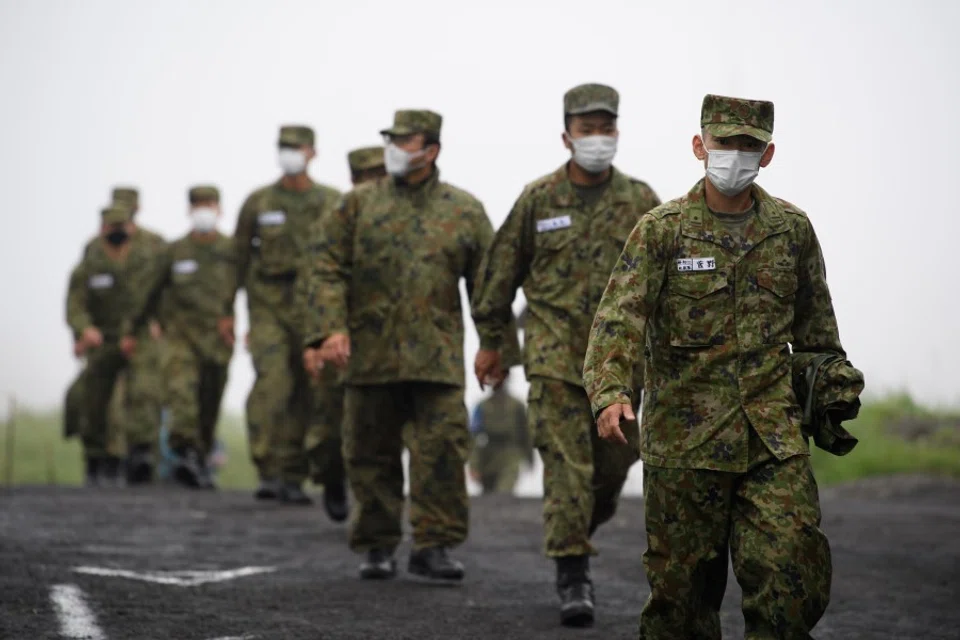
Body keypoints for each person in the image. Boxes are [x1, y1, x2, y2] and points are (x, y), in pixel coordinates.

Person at [582, 94, 846, 639]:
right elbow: (618, 318)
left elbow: (818, 336)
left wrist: (834, 390)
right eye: (726, 143)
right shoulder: (663, 230)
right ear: (701, 146)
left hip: (772, 439)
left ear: (766, 155)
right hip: (686, 443)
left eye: (749, 146)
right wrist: (610, 391)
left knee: (791, 573)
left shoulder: (791, 231)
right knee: (681, 605)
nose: (736, 155)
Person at [470, 83, 660, 626]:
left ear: (617, 134)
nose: (597, 139)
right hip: (553, 357)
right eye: (586, 130)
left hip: (622, 367)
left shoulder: (642, 202)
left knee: (612, 469)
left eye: (606, 129)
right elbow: (497, 276)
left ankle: (577, 529)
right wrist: (493, 343)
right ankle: (573, 573)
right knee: (567, 470)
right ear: (566, 136)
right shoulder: (538, 200)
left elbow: (666, 283)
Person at [303, 109, 520, 582]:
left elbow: (488, 284)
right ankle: (378, 545)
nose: (396, 150)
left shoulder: (462, 209)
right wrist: (328, 331)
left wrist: (495, 347)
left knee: (442, 453)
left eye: (406, 142)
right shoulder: (356, 207)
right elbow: (325, 270)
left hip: (436, 360)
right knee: (370, 454)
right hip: (369, 359)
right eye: (392, 140)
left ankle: (434, 545)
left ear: (432, 150)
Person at [234, 125, 342, 504]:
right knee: (273, 383)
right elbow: (238, 258)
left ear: (312, 152)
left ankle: (295, 474)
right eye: (283, 147)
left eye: (295, 147)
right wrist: (227, 314)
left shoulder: (331, 201)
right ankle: (268, 469)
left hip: (314, 306)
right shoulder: (259, 202)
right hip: (268, 306)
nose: (289, 153)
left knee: (311, 389)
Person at [298, 146, 386, 523]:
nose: (373, 185)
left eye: (379, 177)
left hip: (383, 340)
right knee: (330, 425)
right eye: (366, 178)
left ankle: (375, 510)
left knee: (376, 429)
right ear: (353, 182)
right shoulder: (334, 223)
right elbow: (312, 285)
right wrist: (314, 342)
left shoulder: (402, 221)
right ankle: (332, 477)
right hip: (337, 336)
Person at [131, 185, 237, 489]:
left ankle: (200, 456)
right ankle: (185, 452)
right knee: (182, 393)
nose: (203, 210)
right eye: (198, 204)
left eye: (209, 204)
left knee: (209, 401)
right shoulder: (174, 252)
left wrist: (237, 319)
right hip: (180, 337)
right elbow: (149, 293)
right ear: (190, 210)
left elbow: (250, 286)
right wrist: (137, 328)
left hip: (217, 342)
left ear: (219, 209)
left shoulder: (231, 250)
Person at [65, 204, 156, 486]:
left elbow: (156, 296)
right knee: (94, 398)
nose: (117, 233)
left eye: (122, 227)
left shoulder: (144, 260)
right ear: (103, 229)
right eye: (111, 228)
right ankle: (95, 459)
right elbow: (75, 304)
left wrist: (154, 324)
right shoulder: (90, 264)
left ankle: (139, 453)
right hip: (102, 339)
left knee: (143, 390)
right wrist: (84, 330)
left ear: (130, 228)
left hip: (137, 337)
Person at [467, 379, 531, 494]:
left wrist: (530, 458)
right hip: (487, 455)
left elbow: (525, 434)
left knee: (504, 493)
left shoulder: (517, 406)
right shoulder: (482, 406)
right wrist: (474, 465)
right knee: (487, 497)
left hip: (510, 454)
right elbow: (473, 436)